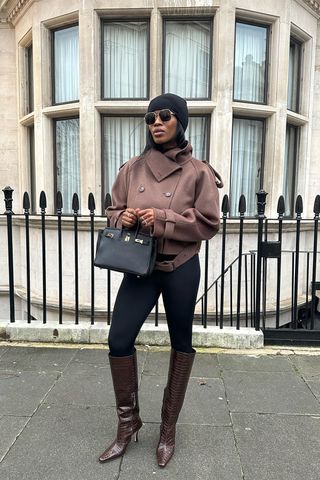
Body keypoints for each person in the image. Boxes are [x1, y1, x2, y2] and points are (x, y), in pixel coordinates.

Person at [99, 93, 222, 467]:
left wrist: (164, 218)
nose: (156, 121)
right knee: (119, 340)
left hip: (181, 266)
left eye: (165, 115)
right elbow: (113, 210)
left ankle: (167, 429)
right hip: (141, 266)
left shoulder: (199, 172)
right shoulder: (132, 168)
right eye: (151, 116)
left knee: (181, 343)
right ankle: (128, 424)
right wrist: (126, 220)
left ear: (179, 122)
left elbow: (209, 223)